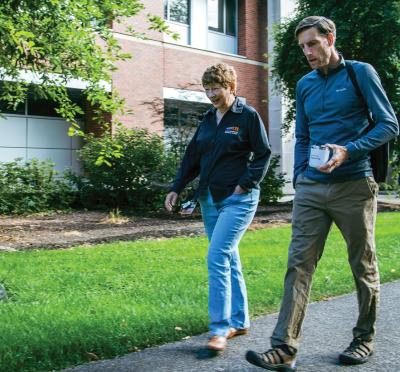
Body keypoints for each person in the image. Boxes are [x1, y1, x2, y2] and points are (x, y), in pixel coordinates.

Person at [245, 16, 399, 371]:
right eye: (302, 47)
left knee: (363, 264)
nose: (307, 52)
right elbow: (303, 135)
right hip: (312, 187)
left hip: (354, 185)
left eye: (312, 44)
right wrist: (300, 176)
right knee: (298, 265)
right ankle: (284, 348)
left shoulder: (361, 73)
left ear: (330, 38)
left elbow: (389, 124)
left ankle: (364, 338)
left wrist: (350, 150)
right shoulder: (305, 84)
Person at [164, 63, 271, 352]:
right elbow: (192, 158)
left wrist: (245, 184)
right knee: (229, 257)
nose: (211, 93)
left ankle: (220, 328)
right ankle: (240, 320)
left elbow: (263, 154)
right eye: (207, 88)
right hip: (209, 199)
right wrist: (176, 187)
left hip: (238, 199)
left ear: (231, 87)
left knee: (217, 256)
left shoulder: (246, 116)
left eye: (216, 88)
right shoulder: (208, 119)